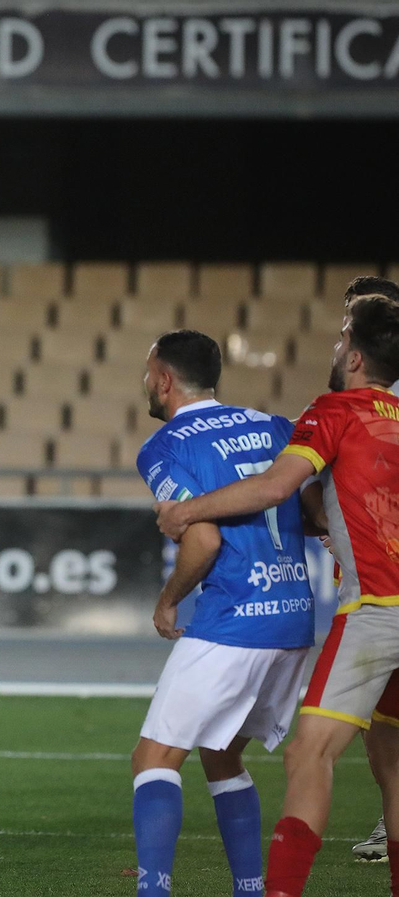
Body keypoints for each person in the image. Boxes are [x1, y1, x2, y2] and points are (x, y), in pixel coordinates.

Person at [155, 296, 399, 897]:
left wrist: (188, 509)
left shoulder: (335, 410)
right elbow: (327, 507)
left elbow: (273, 487)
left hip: (377, 609)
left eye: (343, 339)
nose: (336, 349)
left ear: (358, 356)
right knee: (393, 765)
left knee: (307, 756)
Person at [131, 330, 315, 897]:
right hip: (293, 617)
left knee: (154, 758)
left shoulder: (165, 447)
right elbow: (314, 514)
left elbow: (202, 540)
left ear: (164, 379)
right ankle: (249, 888)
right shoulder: (275, 425)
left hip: (235, 618)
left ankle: (153, 890)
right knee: (220, 751)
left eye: (147, 370)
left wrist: (167, 601)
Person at [332, 277, 399, 863]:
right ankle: (390, 820)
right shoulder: (364, 395)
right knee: (377, 721)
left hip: (385, 591)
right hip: (370, 575)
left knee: (342, 732)